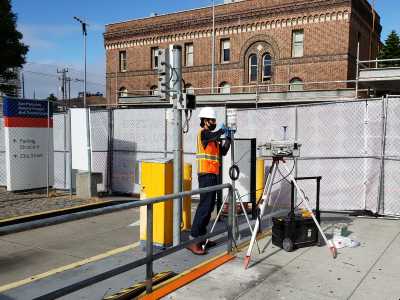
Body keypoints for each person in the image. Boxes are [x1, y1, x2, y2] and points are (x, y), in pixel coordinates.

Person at [186, 107, 231, 255]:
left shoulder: (212, 139)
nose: (214, 123)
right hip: (205, 175)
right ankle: (193, 240)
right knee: (204, 207)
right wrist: (222, 131)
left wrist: (228, 138)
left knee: (209, 207)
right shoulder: (203, 134)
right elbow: (212, 135)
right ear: (205, 121)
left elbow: (223, 152)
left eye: (214, 121)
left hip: (213, 175)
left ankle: (202, 238)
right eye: (212, 120)